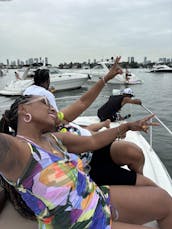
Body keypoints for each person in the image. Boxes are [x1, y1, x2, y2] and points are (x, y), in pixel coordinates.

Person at [0, 95, 172, 229]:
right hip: (78, 223)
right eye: (44, 102)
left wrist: (126, 126)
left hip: (96, 197)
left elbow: (93, 142)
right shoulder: (16, 151)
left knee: (165, 201)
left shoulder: (53, 138)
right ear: (24, 110)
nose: (52, 108)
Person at [23, 57, 149, 186]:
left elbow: (82, 102)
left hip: (96, 147)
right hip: (90, 164)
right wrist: (124, 128)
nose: (52, 109)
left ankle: (139, 184)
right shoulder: (50, 139)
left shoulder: (56, 120)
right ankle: (138, 189)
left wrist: (106, 78)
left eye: (50, 105)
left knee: (134, 153)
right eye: (46, 107)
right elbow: (92, 141)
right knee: (144, 182)